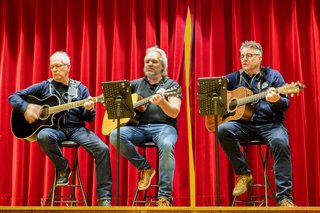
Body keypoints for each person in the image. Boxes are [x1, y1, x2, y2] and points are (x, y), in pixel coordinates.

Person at [8, 51, 112, 206]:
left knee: (103, 149)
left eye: (58, 66)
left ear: (68, 67)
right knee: (43, 136)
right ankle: (63, 168)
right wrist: (26, 107)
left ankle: (104, 198)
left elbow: (88, 119)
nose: (54, 70)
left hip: (76, 129)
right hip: (54, 130)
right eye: (52, 67)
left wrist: (89, 109)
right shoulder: (44, 86)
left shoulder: (80, 89)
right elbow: (13, 97)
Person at [217, 41, 296, 207]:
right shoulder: (233, 78)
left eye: (249, 56)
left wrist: (276, 100)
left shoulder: (273, 76)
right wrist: (219, 98)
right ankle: (244, 173)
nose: (244, 59)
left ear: (259, 58)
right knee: (223, 129)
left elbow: (285, 104)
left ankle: (284, 198)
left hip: (271, 125)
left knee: (281, 142)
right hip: (244, 126)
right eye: (242, 56)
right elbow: (213, 97)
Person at [109, 46, 182, 207]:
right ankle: (145, 168)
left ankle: (164, 197)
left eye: (154, 61)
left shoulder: (172, 85)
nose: (150, 64)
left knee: (167, 145)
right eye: (147, 61)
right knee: (115, 134)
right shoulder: (135, 84)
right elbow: (115, 100)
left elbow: (175, 112)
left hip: (164, 127)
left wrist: (162, 102)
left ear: (162, 66)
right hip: (139, 128)